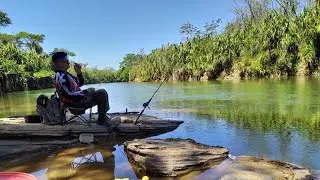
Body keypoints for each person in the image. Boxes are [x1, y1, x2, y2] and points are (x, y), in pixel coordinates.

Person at [51, 51, 115, 127]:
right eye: (67, 61)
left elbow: (79, 83)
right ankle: (102, 119)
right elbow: (68, 94)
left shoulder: (66, 74)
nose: (69, 63)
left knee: (97, 91)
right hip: (75, 103)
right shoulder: (61, 76)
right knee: (102, 93)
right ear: (60, 63)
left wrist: (79, 73)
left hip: (77, 100)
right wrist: (86, 92)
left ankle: (103, 117)